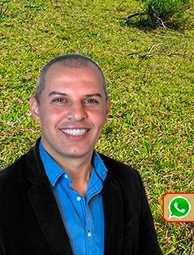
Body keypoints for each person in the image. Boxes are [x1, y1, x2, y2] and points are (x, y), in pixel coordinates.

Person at [0, 54, 162, 255]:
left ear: (106, 109)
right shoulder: (4, 193)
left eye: (91, 100)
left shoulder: (129, 181)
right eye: (60, 100)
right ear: (36, 109)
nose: (77, 114)